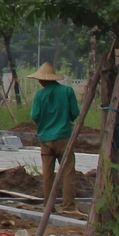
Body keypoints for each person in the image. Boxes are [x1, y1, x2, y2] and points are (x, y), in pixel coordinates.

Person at [30, 62, 82, 210]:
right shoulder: (67, 91)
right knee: (67, 171)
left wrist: (45, 124)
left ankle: (48, 205)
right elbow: (75, 113)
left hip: (46, 138)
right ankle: (68, 206)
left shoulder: (40, 95)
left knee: (47, 174)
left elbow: (35, 115)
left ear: (42, 80)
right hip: (64, 137)